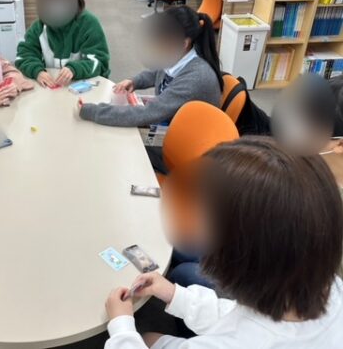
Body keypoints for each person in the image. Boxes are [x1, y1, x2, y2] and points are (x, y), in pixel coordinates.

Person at [105, 137, 343, 348]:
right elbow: (240, 318)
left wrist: (121, 327)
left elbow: (240, 331)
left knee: (147, 337)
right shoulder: (324, 284)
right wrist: (174, 295)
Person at [79, 6, 223, 128]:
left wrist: (93, 111)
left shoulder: (195, 78)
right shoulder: (181, 56)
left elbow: (147, 113)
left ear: (184, 43)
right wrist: (135, 81)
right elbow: (160, 71)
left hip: (185, 140)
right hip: (172, 122)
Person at [15, 0, 110, 87]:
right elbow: (23, 56)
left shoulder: (88, 23)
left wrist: (74, 69)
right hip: (53, 86)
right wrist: (37, 71)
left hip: (86, 85)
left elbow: (100, 63)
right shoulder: (39, 27)